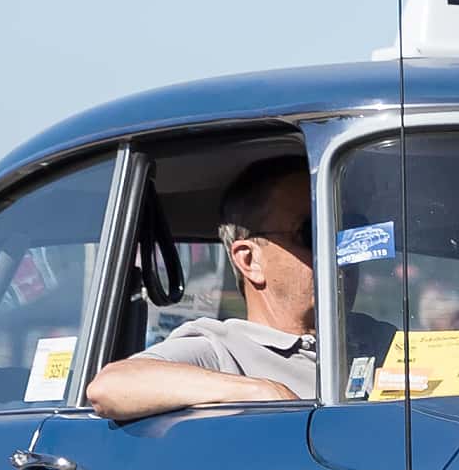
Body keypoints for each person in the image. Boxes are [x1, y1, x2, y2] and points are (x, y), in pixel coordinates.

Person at [90, 150, 323, 416]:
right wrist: (259, 392)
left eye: (343, 229)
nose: (337, 249)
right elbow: (111, 386)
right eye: (310, 233)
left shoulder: (374, 338)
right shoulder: (222, 348)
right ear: (249, 260)